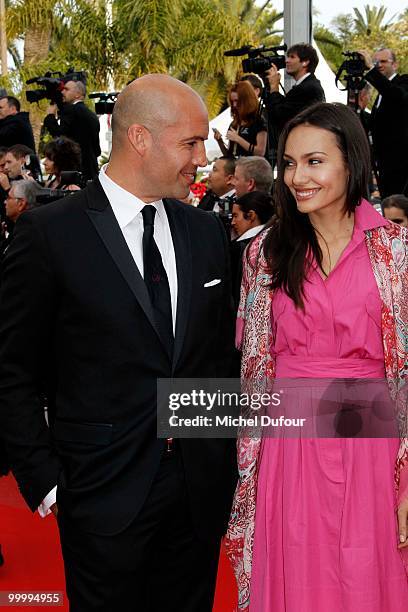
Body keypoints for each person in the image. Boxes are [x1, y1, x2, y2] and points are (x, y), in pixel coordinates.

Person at [0, 74, 237, 612]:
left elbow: (216, 357)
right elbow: (12, 370)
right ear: (139, 138)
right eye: (190, 142)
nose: (202, 157)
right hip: (99, 493)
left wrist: (220, 461)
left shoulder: (204, 232)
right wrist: (48, 483)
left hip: (196, 494)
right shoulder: (49, 233)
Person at [225, 102, 408, 611]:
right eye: (287, 163)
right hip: (289, 448)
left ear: (352, 162)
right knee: (296, 577)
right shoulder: (264, 252)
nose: (296, 177)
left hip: (374, 448)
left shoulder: (398, 252)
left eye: (314, 161)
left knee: (370, 575)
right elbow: (255, 362)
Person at [265, 43, 325, 166]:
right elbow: (285, 106)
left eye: (292, 57)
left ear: (305, 62)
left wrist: (274, 87)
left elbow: (279, 115)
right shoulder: (306, 86)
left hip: (302, 148)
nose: (287, 61)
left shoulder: (308, 88)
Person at [359, 48, 408, 197]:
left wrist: (371, 69)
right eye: (375, 62)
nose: (378, 65)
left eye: (383, 61)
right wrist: (361, 110)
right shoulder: (380, 94)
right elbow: (376, 124)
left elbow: (396, 96)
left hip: (401, 163)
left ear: (395, 65)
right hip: (383, 162)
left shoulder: (403, 82)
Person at [44, 80, 101, 181]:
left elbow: (59, 135)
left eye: (66, 89)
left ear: (78, 95)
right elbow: (97, 150)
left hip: (74, 173)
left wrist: (50, 116)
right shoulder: (92, 116)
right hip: (91, 171)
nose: (62, 92)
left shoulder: (71, 110)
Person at [230, 191, 274, 309]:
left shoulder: (239, 248)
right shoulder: (277, 241)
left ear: (251, 215)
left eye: (235, 216)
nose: (232, 222)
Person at [213, 81, 267, 158]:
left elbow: (260, 152)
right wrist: (220, 141)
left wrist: (238, 139)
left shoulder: (259, 121)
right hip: (236, 167)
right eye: (232, 102)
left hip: (250, 167)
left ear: (246, 100)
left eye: (237, 101)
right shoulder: (234, 123)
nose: (234, 105)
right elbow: (229, 155)